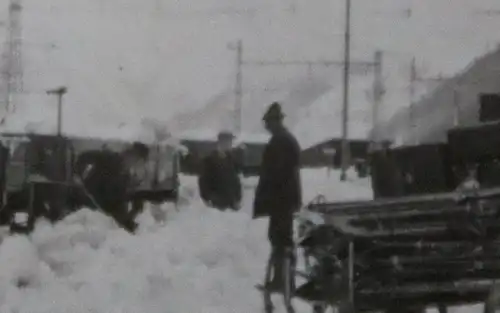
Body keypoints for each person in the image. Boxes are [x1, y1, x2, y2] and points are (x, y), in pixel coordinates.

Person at [253, 102, 302, 292]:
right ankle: (284, 281)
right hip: (286, 201)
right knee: (282, 239)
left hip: (281, 201)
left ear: (275, 122)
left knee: (280, 239)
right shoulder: (286, 139)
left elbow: (276, 174)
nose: (266, 126)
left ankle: (283, 282)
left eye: (268, 122)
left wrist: (268, 196)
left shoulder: (280, 141)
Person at [75, 142, 150, 233]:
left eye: (138, 162)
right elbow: (84, 156)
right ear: (130, 154)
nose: (134, 163)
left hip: (99, 215)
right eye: (136, 159)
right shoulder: (109, 158)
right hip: (85, 202)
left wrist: (128, 223)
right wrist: (78, 174)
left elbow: (118, 206)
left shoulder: (125, 178)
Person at [198, 130, 242, 211]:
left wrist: (238, 199)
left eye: (231, 142)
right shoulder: (210, 160)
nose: (231, 145)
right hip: (216, 204)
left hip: (231, 204)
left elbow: (236, 180)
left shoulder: (231, 159)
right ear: (222, 143)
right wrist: (208, 199)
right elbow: (203, 181)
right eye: (229, 142)